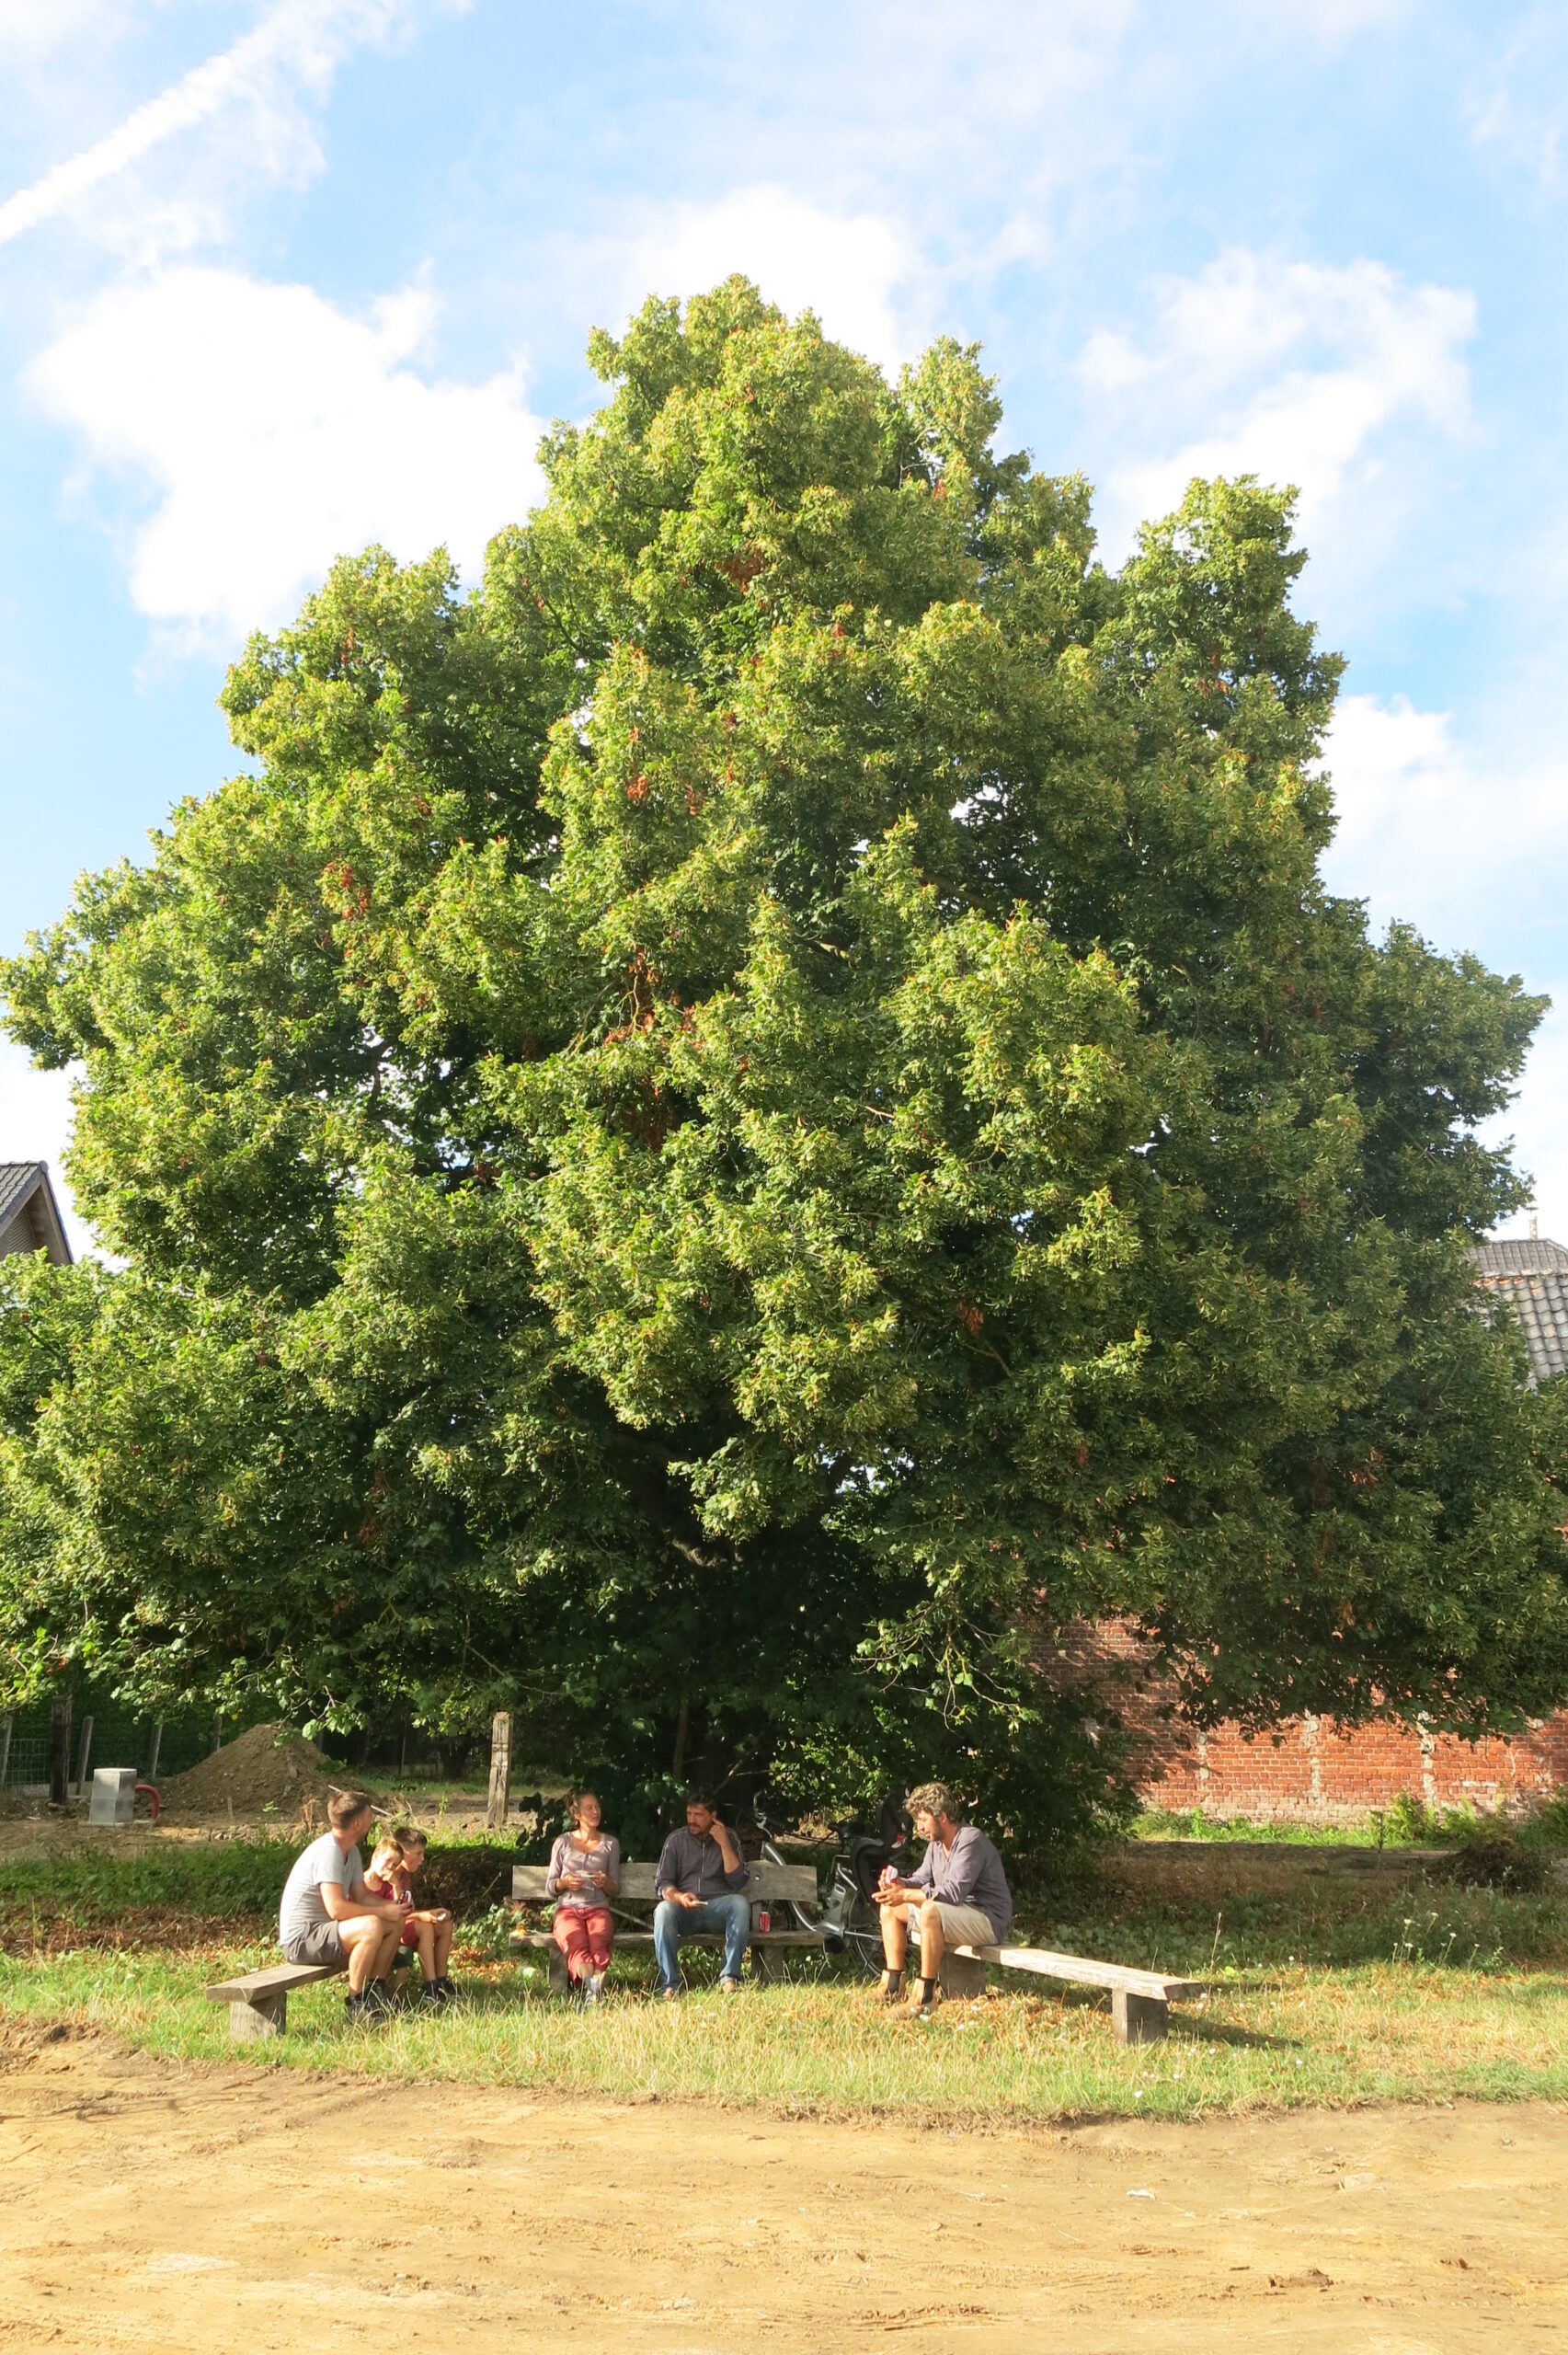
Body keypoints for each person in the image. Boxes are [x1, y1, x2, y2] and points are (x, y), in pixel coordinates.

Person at [873, 1781, 1013, 2015]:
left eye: (923, 1819)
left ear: (943, 1817)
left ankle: (924, 1998)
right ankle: (892, 1987)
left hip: (987, 1919)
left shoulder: (970, 1840)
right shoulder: (936, 1845)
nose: (919, 1827)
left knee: (930, 1910)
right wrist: (898, 1884)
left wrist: (905, 1894)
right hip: (957, 1915)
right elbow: (921, 1878)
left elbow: (953, 1893)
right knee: (890, 1907)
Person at [278, 1787, 406, 2019]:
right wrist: (380, 1911)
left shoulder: (351, 1851)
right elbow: (336, 1908)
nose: (372, 1820)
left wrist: (391, 1909)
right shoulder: (329, 1852)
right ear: (357, 1824)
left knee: (395, 1921)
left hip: (323, 1932)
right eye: (369, 1816)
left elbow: (361, 1897)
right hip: (301, 1939)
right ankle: (356, 2004)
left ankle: (375, 1991)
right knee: (371, 1926)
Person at [652, 1790, 750, 1996]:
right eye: (689, 1814)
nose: (691, 1820)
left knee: (740, 1904)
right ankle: (669, 1985)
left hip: (717, 1909)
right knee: (662, 1910)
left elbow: (738, 1881)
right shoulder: (676, 1840)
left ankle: (729, 1978)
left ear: (713, 1816)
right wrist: (679, 1897)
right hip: (685, 1910)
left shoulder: (729, 1837)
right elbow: (663, 1883)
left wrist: (724, 1843)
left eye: (698, 1815)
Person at [364, 1825, 455, 2006]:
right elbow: (394, 1913)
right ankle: (430, 1988)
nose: (422, 1859)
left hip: (400, 1923)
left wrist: (428, 1913)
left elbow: (406, 1909)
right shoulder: (387, 1877)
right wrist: (422, 1916)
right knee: (425, 1927)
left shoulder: (404, 1876)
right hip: (389, 1929)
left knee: (445, 1925)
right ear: (403, 1853)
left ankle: (441, 1981)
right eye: (418, 1853)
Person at [544, 1790, 621, 2003]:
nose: (596, 1812)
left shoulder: (610, 1844)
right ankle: (593, 1986)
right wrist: (565, 1883)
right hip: (568, 1910)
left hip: (598, 1908)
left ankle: (591, 1991)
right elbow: (550, 1887)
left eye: (597, 1807)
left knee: (599, 1943)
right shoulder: (563, 1842)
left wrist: (604, 1882)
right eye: (589, 1808)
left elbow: (615, 1889)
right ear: (577, 1815)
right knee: (575, 1943)